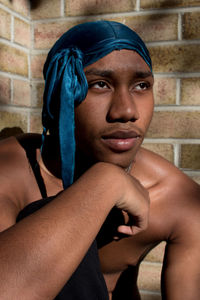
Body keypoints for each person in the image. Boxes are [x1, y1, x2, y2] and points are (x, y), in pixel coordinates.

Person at [0, 20, 199, 300]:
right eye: (100, 84)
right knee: (43, 212)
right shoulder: (11, 171)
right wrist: (105, 183)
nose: (126, 111)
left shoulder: (177, 197)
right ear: (60, 95)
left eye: (141, 85)